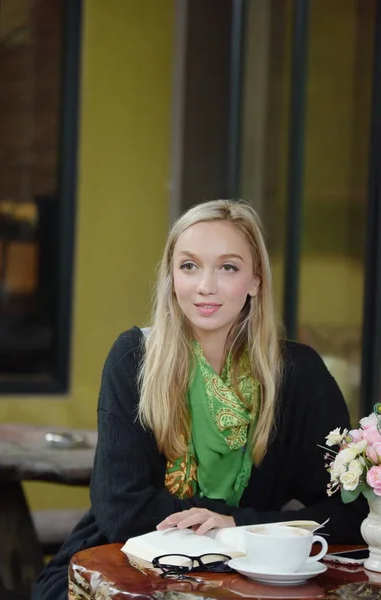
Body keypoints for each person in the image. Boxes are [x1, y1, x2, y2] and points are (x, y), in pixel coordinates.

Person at [32, 199, 366, 600]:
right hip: (116, 570)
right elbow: (121, 511)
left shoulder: (298, 373)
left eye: (228, 267)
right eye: (189, 266)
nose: (206, 285)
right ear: (172, 277)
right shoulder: (134, 358)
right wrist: (253, 529)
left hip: (248, 579)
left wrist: (234, 523)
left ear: (255, 280)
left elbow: (350, 512)